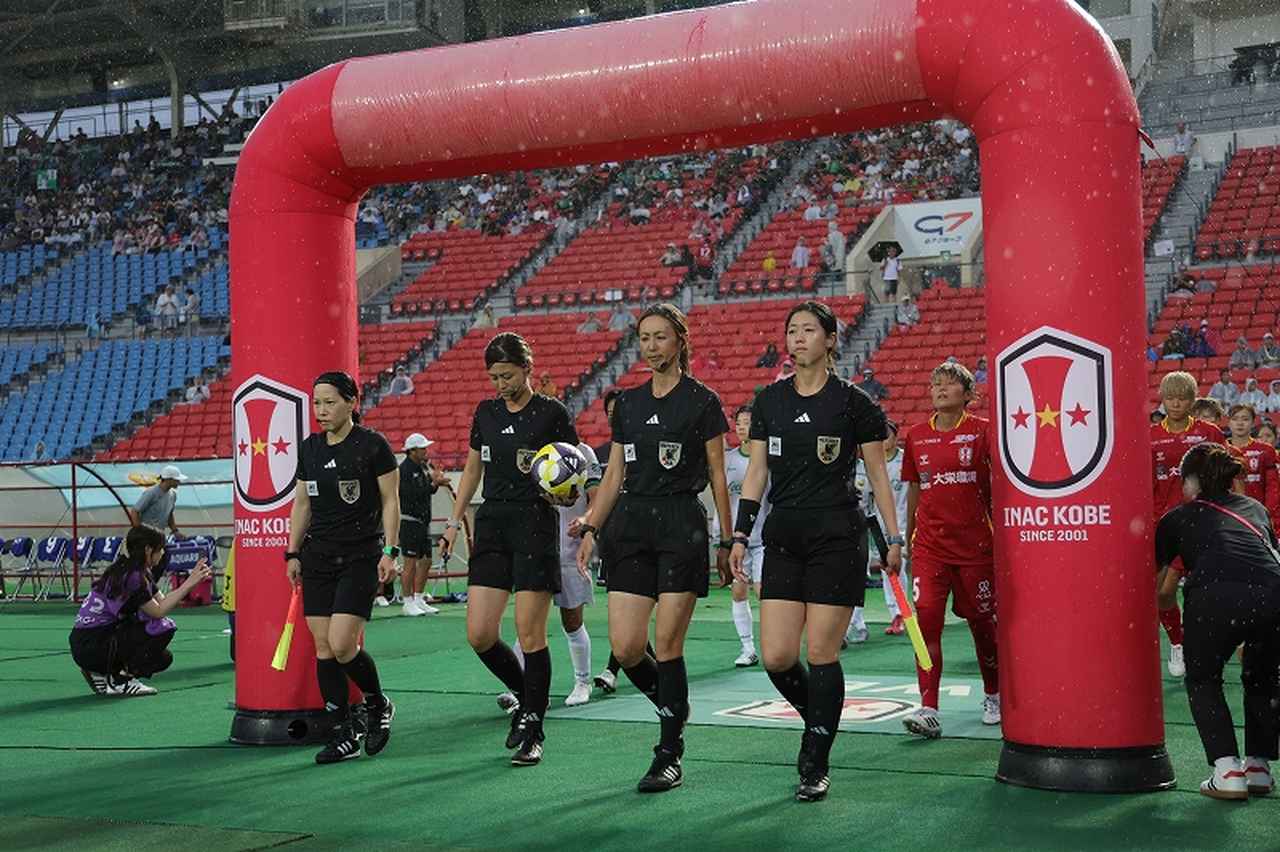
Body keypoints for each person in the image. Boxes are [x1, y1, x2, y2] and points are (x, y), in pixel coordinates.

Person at [729, 300, 902, 801]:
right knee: (779, 656)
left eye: (809, 330)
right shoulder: (769, 401)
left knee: (822, 652)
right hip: (783, 535)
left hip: (836, 536)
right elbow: (756, 474)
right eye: (791, 330)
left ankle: (815, 757)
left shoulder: (855, 403)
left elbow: (876, 476)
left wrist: (892, 538)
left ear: (830, 340)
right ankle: (820, 718)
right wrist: (741, 535)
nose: (798, 337)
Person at [575, 303, 733, 793]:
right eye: (645, 338)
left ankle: (668, 751)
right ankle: (674, 706)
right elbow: (615, 473)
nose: (651, 346)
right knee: (625, 647)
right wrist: (591, 526)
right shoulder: (627, 404)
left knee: (667, 646)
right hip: (630, 526)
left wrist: (729, 541)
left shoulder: (703, 401)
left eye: (661, 337)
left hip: (681, 524)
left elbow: (718, 476)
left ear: (680, 341)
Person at [439, 332, 578, 767]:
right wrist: (451, 521)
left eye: (507, 375)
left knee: (531, 633)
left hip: (534, 524)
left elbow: (572, 472)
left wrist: (565, 497)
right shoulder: (486, 412)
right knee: (479, 634)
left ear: (527, 368)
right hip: (493, 524)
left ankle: (533, 727)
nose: (500, 384)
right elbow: (472, 469)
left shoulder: (552, 413)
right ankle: (525, 698)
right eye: (494, 377)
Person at [286, 370, 400, 765]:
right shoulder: (310, 449)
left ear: (352, 402)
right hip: (318, 556)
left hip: (360, 556)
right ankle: (344, 731)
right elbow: (302, 503)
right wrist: (292, 552)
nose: (321, 410)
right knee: (322, 647)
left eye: (329, 401)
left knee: (341, 643)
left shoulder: (373, 446)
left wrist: (392, 551)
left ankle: (377, 703)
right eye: (316, 402)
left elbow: (390, 502)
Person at [1155, 442, 1279, 800]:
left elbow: (1153, 583)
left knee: (1204, 681)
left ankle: (1226, 770)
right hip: (1273, 595)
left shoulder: (1176, 517)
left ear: (1190, 481)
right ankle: (1258, 768)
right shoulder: (1254, 508)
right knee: (1263, 679)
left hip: (1214, 598)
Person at [897, 362, 998, 739]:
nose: (940, 389)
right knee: (926, 625)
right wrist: (905, 539)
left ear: (968, 394)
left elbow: (998, 488)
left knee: (984, 627)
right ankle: (928, 706)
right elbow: (914, 491)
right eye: (935, 383)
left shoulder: (983, 431)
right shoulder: (916, 435)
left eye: (949, 384)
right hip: (930, 548)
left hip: (976, 548)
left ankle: (994, 694)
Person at [70, 524, 212, 696]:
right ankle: (122, 680)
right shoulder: (133, 576)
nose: (163, 554)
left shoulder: (131, 570)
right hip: (94, 643)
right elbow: (158, 612)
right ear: (148, 550)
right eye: (160, 549)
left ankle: (99, 671)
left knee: (162, 657)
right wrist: (189, 583)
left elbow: (162, 601)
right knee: (162, 627)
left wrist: (190, 581)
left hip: (85, 642)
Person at [1151, 371, 1227, 679]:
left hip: (1203, 523)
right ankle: (1178, 641)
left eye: (1182, 398)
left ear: (1193, 399)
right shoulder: (1151, 434)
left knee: (1204, 591)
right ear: (1163, 399)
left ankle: (1206, 646)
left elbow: (1228, 473)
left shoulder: (1209, 433)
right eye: (1170, 398)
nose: (1176, 403)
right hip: (1164, 526)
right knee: (1162, 594)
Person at [716, 406, 770, 667]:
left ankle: (775, 644)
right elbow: (723, 500)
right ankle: (747, 648)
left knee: (764, 592)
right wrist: (722, 536)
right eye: (738, 423)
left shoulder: (767, 460)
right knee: (738, 592)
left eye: (747, 422)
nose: (741, 427)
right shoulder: (728, 461)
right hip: (739, 540)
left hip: (764, 538)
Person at [849, 420, 910, 640]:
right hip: (872, 528)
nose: (883, 440)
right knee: (857, 572)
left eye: (887, 435)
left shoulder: (905, 461)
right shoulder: (866, 467)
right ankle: (855, 623)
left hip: (901, 525)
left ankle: (899, 613)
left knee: (896, 569)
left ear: (896, 437)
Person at [398, 433, 447, 617]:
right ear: (412, 451)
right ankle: (407, 601)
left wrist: (434, 484)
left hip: (422, 522)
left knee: (426, 560)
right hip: (409, 521)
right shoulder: (405, 470)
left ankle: (418, 598)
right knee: (410, 563)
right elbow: (411, 494)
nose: (426, 451)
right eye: (422, 448)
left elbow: (426, 491)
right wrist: (434, 482)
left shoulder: (421, 467)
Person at [1225, 405, 1280, 523]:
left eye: (1245, 419)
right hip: (1227, 514)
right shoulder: (1219, 450)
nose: (1240, 423)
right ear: (1229, 422)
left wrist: (1268, 514)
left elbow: (1272, 487)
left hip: (1258, 515)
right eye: (1235, 419)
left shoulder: (1266, 450)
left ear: (1253, 422)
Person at [129, 465, 187, 538]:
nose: (179, 482)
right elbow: (134, 511)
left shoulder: (173, 495)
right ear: (168, 479)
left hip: (158, 536)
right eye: (177, 479)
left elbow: (169, 514)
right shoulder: (151, 492)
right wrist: (139, 532)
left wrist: (175, 531)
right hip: (146, 536)